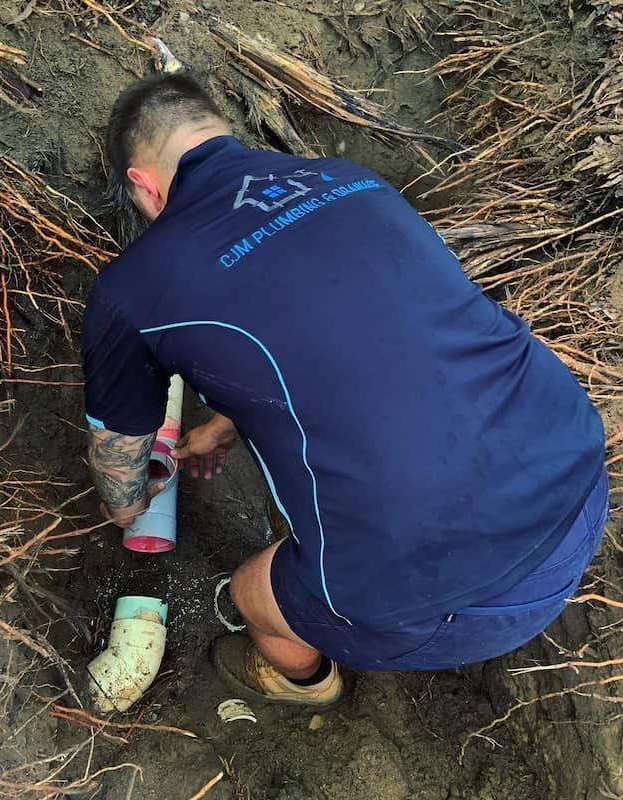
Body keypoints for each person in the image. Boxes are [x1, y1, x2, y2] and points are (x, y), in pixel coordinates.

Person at [81, 73, 608, 707]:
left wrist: (131, 504)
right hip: (578, 485)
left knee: (251, 591)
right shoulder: (355, 182)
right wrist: (226, 423)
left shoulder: (132, 287)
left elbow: (120, 474)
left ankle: (304, 682)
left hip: (450, 603)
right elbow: (362, 341)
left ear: (143, 183)